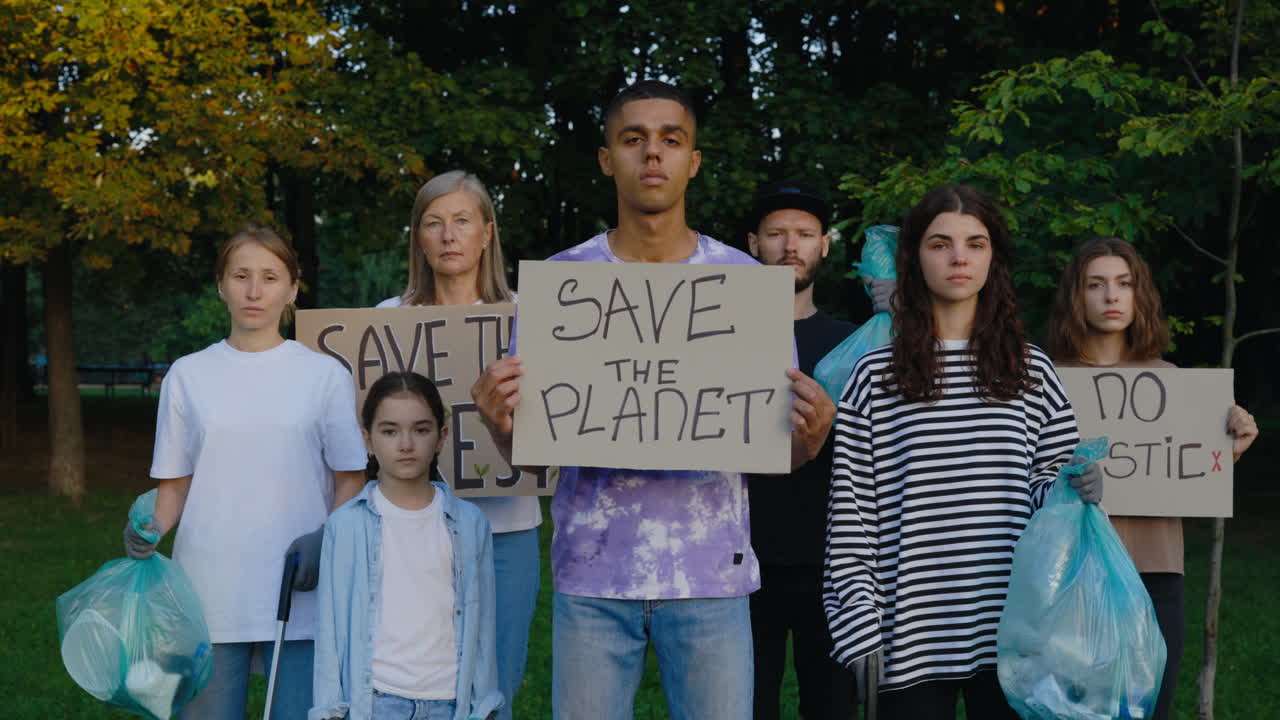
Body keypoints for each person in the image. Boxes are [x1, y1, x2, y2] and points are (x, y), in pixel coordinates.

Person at [470, 80, 836, 720]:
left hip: (712, 581)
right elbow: (532, 459)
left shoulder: (747, 287)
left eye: (672, 139)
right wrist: (501, 425)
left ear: (694, 160)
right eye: (633, 139)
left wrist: (811, 436)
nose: (653, 155)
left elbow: (780, 451)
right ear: (607, 158)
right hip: (591, 578)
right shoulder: (560, 288)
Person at [823, 184, 1096, 719]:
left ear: (993, 258)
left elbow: (1048, 487)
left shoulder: (1031, 370)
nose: (958, 258)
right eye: (939, 244)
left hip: (1017, 628)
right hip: (909, 633)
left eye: (975, 243)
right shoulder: (874, 374)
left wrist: (1076, 487)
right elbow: (852, 513)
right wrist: (857, 624)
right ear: (914, 258)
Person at [122, 225, 368, 720]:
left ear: (293, 290)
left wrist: (330, 538)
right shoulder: (188, 375)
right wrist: (148, 527)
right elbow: (174, 487)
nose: (255, 291)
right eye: (241, 276)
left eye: (271, 277)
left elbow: (351, 480)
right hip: (208, 592)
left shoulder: (326, 376)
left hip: (301, 594)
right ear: (221, 285)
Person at [1046, 236, 1258, 720]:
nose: (1111, 296)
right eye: (1095, 285)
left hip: (1155, 575)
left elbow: (1184, 472)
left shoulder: (1171, 380)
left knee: (1148, 708)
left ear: (1140, 296)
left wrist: (1231, 449)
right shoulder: (1045, 381)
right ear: (1075, 298)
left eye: (1123, 284)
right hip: (1070, 578)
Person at [375, 170, 538, 720]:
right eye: (434, 224)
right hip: (409, 533)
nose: (448, 236)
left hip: (507, 532)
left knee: (494, 691)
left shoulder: (532, 319)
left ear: (487, 233)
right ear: (418, 238)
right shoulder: (385, 323)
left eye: (462, 221)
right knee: (412, 683)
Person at [744, 181, 892, 720]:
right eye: (776, 234)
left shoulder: (861, 343)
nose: (790, 246)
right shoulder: (719, 340)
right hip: (740, 561)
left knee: (831, 709)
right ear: (753, 244)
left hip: (833, 566)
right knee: (744, 707)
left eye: (805, 234)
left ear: (824, 246)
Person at [312, 371, 501, 720]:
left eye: (421, 429)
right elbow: (330, 628)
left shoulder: (471, 523)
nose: (406, 444)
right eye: (389, 431)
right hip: (378, 701)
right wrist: (329, 710)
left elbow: (484, 621)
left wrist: (484, 701)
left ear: (441, 437)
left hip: (450, 701)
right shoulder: (347, 525)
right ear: (367, 439)